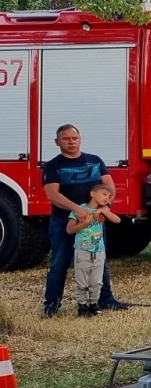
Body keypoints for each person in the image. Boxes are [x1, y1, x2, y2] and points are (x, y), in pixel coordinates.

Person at [41, 124, 125, 317]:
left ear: (80, 139)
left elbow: (109, 187)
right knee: (59, 263)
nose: (71, 142)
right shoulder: (53, 166)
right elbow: (52, 194)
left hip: (95, 223)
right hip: (64, 222)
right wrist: (77, 209)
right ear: (57, 142)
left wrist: (105, 209)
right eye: (66, 139)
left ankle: (105, 300)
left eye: (74, 138)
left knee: (99, 260)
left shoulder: (95, 161)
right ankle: (51, 306)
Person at [66, 183, 121, 317]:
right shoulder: (80, 210)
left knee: (96, 281)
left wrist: (103, 211)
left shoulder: (102, 211)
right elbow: (70, 230)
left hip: (99, 251)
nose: (107, 198)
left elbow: (117, 220)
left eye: (109, 196)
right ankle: (82, 306)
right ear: (93, 194)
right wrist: (85, 223)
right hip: (82, 250)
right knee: (82, 281)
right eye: (104, 195)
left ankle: (93, 304)